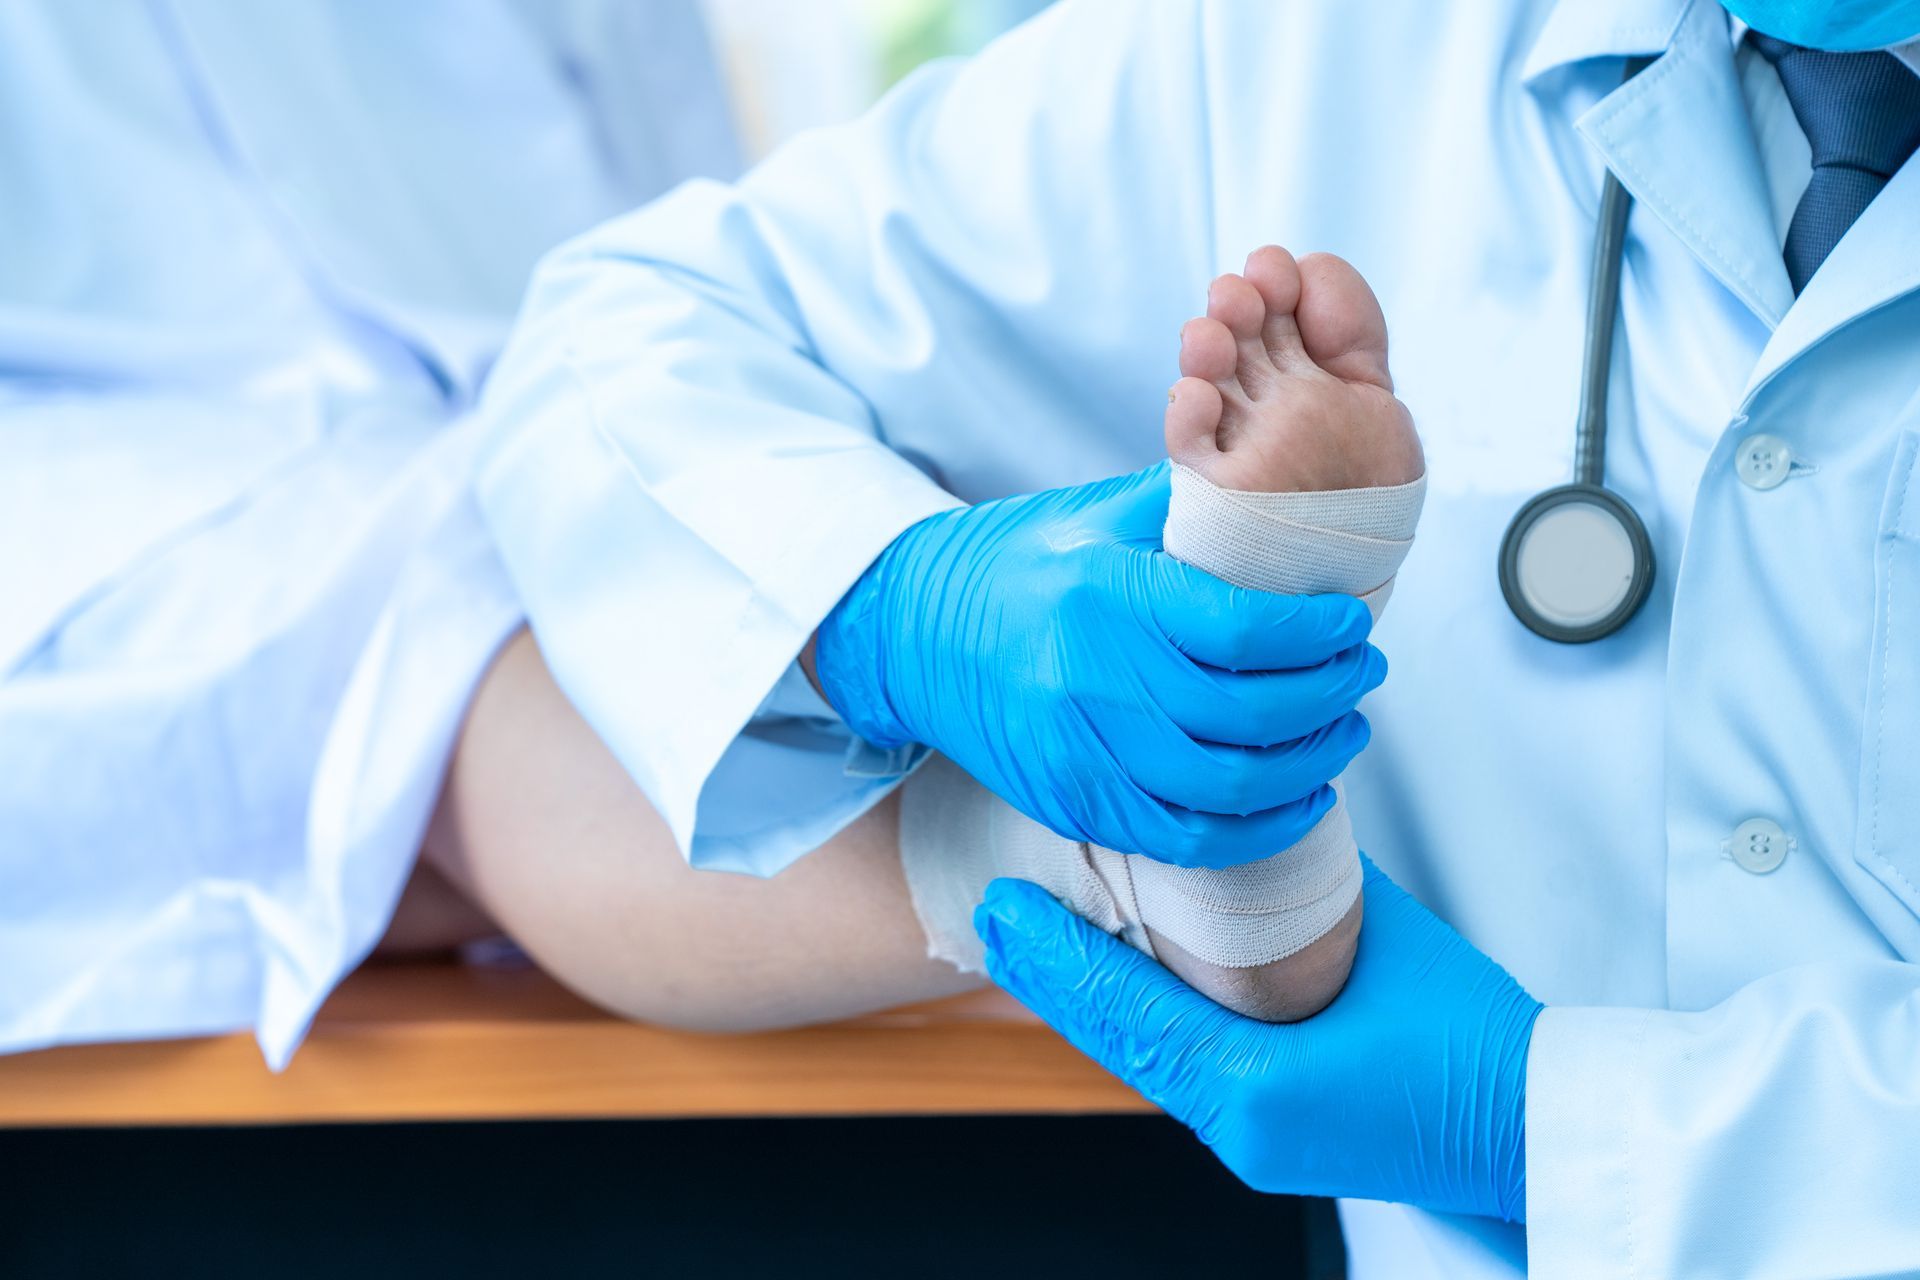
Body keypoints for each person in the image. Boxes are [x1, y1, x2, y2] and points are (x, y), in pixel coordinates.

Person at [469, 0, 1920, 1273]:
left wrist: (1539, 1120)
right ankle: (1199, 883)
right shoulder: (1318, 43)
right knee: (515, 749)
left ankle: (1198, 890)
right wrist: (888, 596)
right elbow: (625, 332)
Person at [0, 0, 737, 1066]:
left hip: (565, 423)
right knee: (475, 691)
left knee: (667, 627)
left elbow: (699, 249)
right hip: (94, 503)